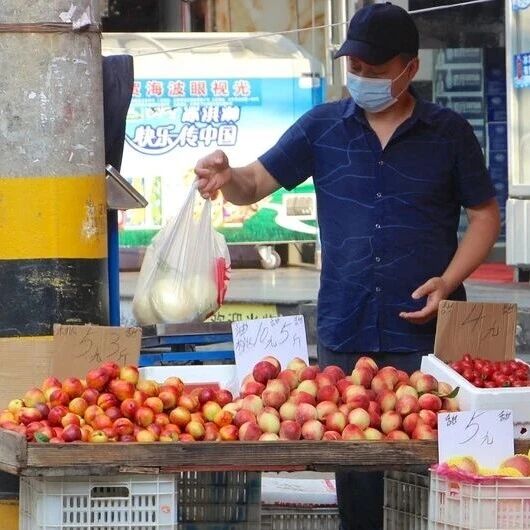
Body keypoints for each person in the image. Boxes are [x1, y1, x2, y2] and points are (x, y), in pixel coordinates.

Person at [195, 3, 500, 529]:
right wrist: (227, 176)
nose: (361, 78)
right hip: (346, 327)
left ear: (410, 68)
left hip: (425, 333)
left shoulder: (448, 133)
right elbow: (255, 181)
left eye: (375, 71)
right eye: (354, 68)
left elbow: (484, 217)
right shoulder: (322, 127)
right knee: (357, 483)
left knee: (433, 476)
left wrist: (449, 281)